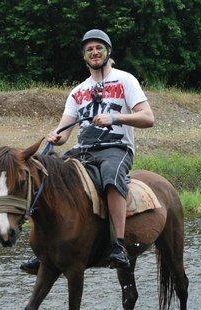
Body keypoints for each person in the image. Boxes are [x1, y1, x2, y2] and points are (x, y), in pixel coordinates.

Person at [21, 29, 155, 274]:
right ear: (84, 56)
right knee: (48, 178)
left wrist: (114, 117)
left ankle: (118, 245)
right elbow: (64, 130)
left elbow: (148, 118)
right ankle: (43, 252)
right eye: (89, 49)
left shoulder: (125, 80)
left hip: (116, 148)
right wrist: (56, 136)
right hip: (82, 151)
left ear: (108, 51)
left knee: (111, 177)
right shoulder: (77, 91)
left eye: (99, 48)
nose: (94, 52)